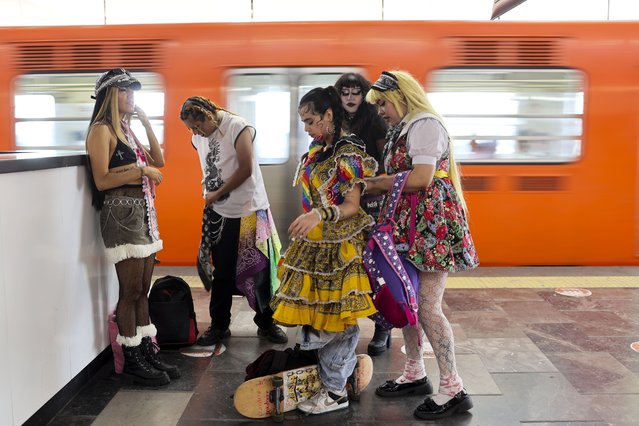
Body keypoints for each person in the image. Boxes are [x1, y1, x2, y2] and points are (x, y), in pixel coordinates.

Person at [364, 71, 479, 420]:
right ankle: (414, 372)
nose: (381, 110)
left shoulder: (425, 124)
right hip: (408, 222)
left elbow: (422, 178)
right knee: (408, 298)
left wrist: (377, 183)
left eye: (383, 102)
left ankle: (453, 387)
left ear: (402, 96)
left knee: (427, 305)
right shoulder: (405, 126)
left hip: (431, 223)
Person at [269, 86, 378, 415]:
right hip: (313, 244)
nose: (306, 128)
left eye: (310, 120)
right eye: (303, 122)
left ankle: (335, 392)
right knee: (319, 318)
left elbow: (351, 205)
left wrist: (319, 213)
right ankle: (335, 379)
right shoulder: (320, 148)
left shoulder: (348, 152)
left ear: (329, 115)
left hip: (337, 247)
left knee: (336, 320)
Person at [86, 68, 179, 386]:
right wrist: (141, 170)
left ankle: (146, 351)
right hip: (120, 215)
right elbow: (101, 180)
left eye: (133, 91)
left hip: (143, 214)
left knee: (144, 290)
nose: (132, 96)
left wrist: (145, 122)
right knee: (130, 292)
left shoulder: (125, 128)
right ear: (111, 95)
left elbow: (160, 160)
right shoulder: (102, 130)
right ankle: (132, 358)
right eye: (125, 91)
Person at [179, 96, 287, 346]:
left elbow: (246, 168)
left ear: (208, 116)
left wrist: (216, 193)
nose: (196, 133)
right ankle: (219, 325)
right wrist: (213, 196)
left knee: (259, 269)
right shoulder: (199, 137)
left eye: (197, 126)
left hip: (250, 208)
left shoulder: (238, 126)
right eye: (191, 130)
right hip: (220, 212)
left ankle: (266, 322)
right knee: (223, 271)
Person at [335, 72, 392, 356]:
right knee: (348, 265)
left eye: (355, 92)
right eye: (345, 92)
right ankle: (347, 324)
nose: (350, 97)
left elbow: (387, 163)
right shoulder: (334, 121)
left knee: (374, 266)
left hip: (370, 202)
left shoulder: (375, 121)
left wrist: (373, 184)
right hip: (343, 202)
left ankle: (383, 327)